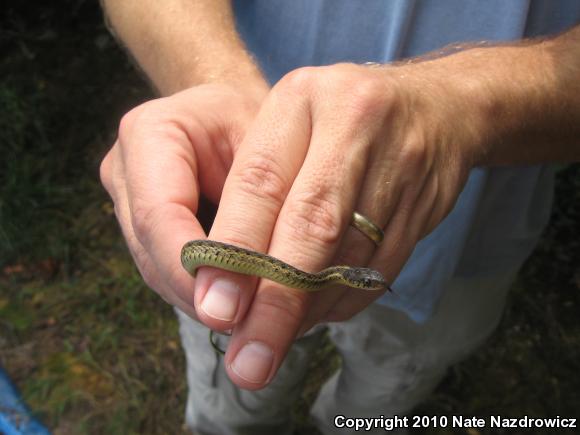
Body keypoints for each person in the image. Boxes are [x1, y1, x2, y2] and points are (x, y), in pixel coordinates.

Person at [99, 1, 580, 434]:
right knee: (233, 363)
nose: (372, 283)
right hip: (235, 204)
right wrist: (213, 81)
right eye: (368, 282)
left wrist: (469, 106)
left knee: (383, 390)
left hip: (464, 248)